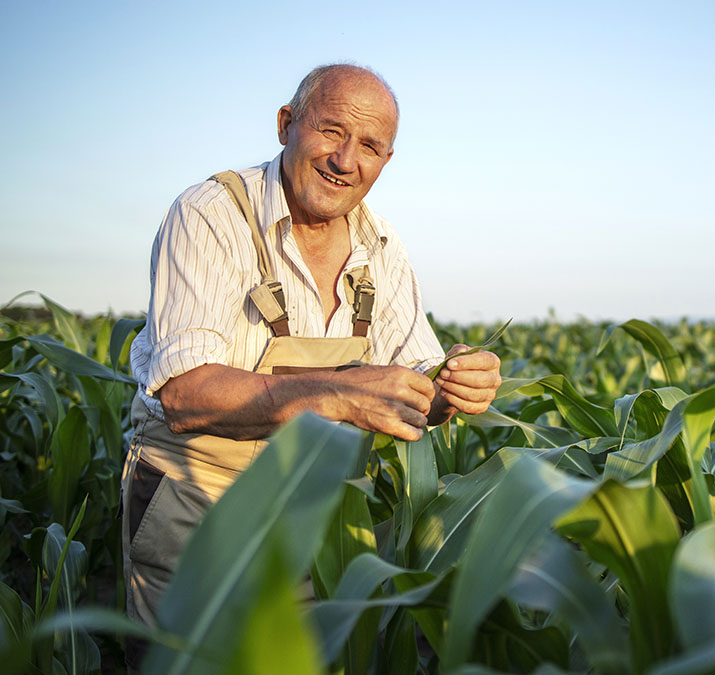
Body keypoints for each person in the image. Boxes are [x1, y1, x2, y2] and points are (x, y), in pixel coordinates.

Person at [121, 64, 502, 636]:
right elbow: (184, 394)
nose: (345, 160)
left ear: (386, 162)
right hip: (195, 494)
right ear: (286, 125)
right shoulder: (212, 214)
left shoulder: (382, 248)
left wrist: (452, 385)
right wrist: (341, 393)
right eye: (331, 131)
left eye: (370, 146)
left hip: (313, 506)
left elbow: (414, 380)